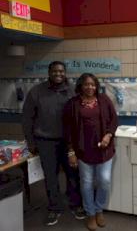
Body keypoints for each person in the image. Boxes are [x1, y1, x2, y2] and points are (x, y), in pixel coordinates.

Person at [22, 61, 84, 226]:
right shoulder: (36, 92)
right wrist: (30, 142)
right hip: (45, 142)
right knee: (51, 176)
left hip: (69, 143)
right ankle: (54, 208)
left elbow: (80, 115)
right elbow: (27, 118)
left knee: (73, 174)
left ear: (65, 73)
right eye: (55, 71)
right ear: (49, 73)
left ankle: (75, 204)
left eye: (61, 71)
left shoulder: (72, 91)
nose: (58, 74)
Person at [63, 73, 118, 231]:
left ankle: (99, 209)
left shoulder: (104, 100)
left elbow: (114, 120)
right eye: (86, 84)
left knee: (104, 180)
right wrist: (71, 151)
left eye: (93, 84)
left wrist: (108, 135)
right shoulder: (72, 104)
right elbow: (67, 130)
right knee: (86, 184)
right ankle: (91, 213)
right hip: (83, 151)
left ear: (96, 86)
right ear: (80, 85)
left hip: (104, 150)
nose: (90, 87)